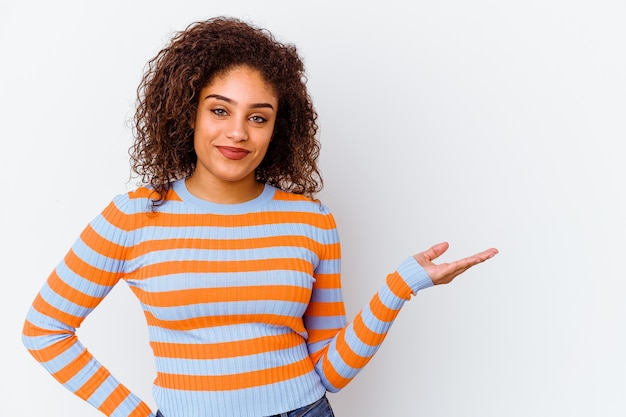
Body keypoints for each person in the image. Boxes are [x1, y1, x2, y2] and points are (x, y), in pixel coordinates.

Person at [22, 16, 498, 417]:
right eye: (219, 110)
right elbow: (44, 329)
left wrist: (401, 285)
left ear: (277, 128)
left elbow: (330, 372)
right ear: (189, 113)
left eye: (258, 116)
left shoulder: (311, 221)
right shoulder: (135, 214)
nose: (237, 133)